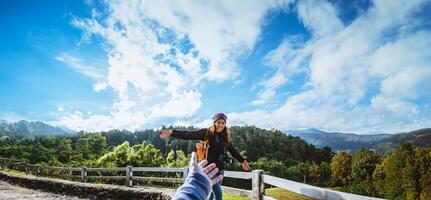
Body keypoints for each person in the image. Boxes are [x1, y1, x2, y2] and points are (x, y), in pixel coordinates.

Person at [160, 113, 250, 200]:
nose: (220, 125)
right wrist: (172, 132)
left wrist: (242, 160)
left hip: (220, 169)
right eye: (218, 122)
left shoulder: (225, 136)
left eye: (223, 123)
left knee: (211, 194)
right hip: (209, 169)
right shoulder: (206, 133)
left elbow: (232, 150)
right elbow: (189, 134)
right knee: (218, 194)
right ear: (214, 122)